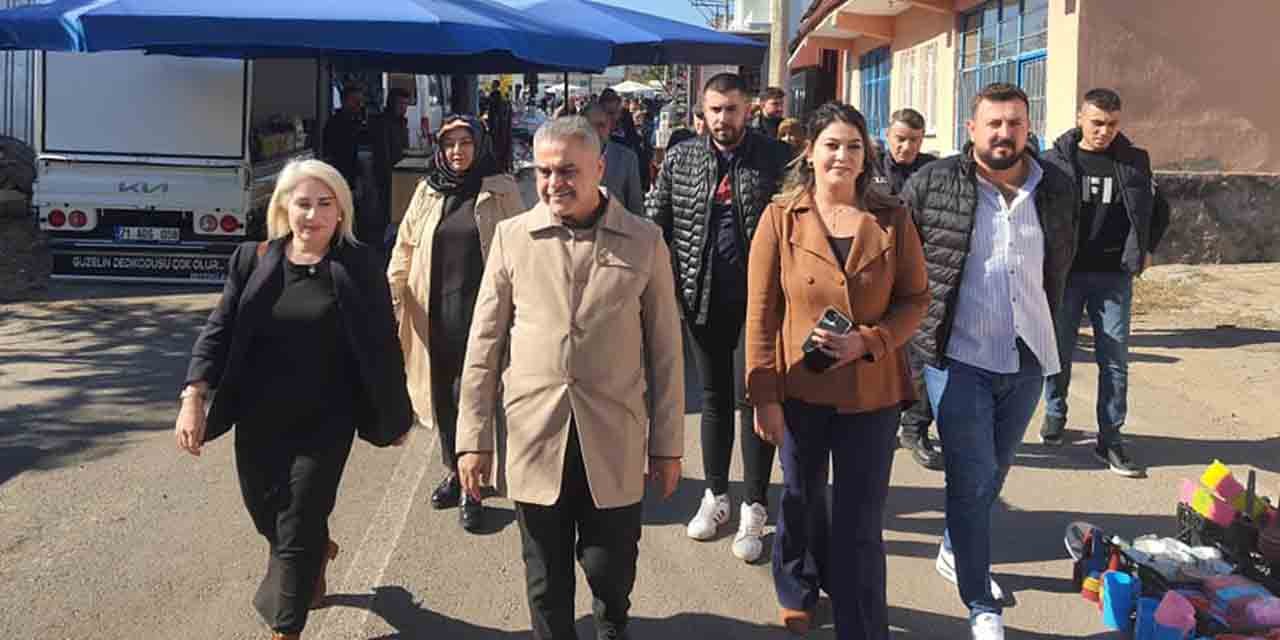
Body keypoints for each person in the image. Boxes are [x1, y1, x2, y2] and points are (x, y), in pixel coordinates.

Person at [455, 116, 685, 640]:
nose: (554, 182)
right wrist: (473, 440)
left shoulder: (644, 240)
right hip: (535, 437)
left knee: (610, 573)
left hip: (614, 438)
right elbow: (483, 346)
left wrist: (667, 447)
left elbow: (667, 354)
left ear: (599, 168)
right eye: (544, 172)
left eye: (567, 171)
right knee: (545, 582)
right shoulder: (513, 238)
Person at [175, 159, 413, 640]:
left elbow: (383, 342)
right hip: (259, 417)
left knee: (298, 521)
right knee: (267, 514)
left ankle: (286, 626)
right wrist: (193, 395)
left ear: (341, 211)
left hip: (327, 420)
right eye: (303, 203)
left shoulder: (358, 264)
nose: (313, 215)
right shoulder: (253, 259)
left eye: (325, 204)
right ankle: (316, 552)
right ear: (284, 207)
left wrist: (396, 414)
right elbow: (219, 329)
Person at [746, 101, 929, 637]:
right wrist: (764, 395)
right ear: (809, 152)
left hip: (872, 392)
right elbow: (761, 314)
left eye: (853, 146)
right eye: (831, 145)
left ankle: (862, 625)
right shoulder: (780, 218)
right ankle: (797, 586)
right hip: (800, 388)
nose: (842, 156)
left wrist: (869, 341)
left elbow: (916, 299)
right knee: (802, 500)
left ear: (866, 155)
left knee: (860, 522)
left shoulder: (893, 217)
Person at [902, 83, 1077, 639]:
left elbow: (1061, 260)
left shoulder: (1057, 187)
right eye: (994, 123)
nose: (1004, 133)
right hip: (958, 358)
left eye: (1015, 123)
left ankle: (954, 547)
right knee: (972, 477)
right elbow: (902, 260)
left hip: (1028, 355)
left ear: (1029, 128)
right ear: (971, 129)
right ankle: (980, 604)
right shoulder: (932, 183)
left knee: (995, 471)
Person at [646, 72, 791, 563]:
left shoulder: (775, 158)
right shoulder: (681, 157)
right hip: (700, 298)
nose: (723, 118)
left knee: (753, 399)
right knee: (713, 400)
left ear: (749, 109)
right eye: (715, 110)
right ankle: (716, 495)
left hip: (760, 304)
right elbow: (656, 220)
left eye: (731, 109)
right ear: (702, 112)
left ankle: (755, 505)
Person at [387, 115, 524, 533]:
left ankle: (473, 487)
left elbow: (524, 249)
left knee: (474, 398)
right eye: (450, 144)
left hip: (483, 315)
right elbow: (405, 246)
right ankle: (453, 467)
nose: (457, 151)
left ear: (480, 145)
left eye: (466, 142)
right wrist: (392, 297)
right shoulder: (428, 190)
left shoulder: (501, 189)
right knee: (442, 396)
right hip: (433, 313)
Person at [1040, 88, 1171, 477]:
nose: (1104, 131)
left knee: (1114, 359)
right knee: (1058, 351)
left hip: (1113, 276)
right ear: (1080, 118)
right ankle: (1055, 411)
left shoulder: (1134, 161)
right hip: (1066, 274)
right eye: (1097, 123)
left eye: (1112, 124)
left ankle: (1110, 438)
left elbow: (1159, 208)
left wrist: (1147, 247)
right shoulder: (1054, 162)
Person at [874, 108, 944, 471]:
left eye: (914, 140)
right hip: (876, 273)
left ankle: (915, 429)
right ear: (888, 135)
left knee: (921, 356)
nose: (906, 147)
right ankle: (882, 424)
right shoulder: (869, 168)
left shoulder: (933, 171)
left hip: (921, 272)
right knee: (881, 352)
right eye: (900, 139)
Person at [582, 102, 644, 215]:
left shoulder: (627, 158)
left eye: (601, 125)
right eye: (590, 126)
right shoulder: (571, 157)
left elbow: (636, 207)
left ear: (609, 127)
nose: (596, 131)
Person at [368, 88, 411, 249]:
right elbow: (383, 152)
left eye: (406, 104)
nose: (403, 107)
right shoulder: (383, 123)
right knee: (386, 210)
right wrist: (388, 175)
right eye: (400, 103)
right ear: (391, 103)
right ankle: (383, 243)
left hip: (399, 171)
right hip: (388, 174)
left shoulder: (401, 122)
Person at [323, 85, 365, 190]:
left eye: (360, 100)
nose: (359, 104)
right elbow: (333, 152)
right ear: (344, 101)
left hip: (352, 175)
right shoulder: (335, 123)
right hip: (339, 174)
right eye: (354, 100)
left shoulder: (355, 121)